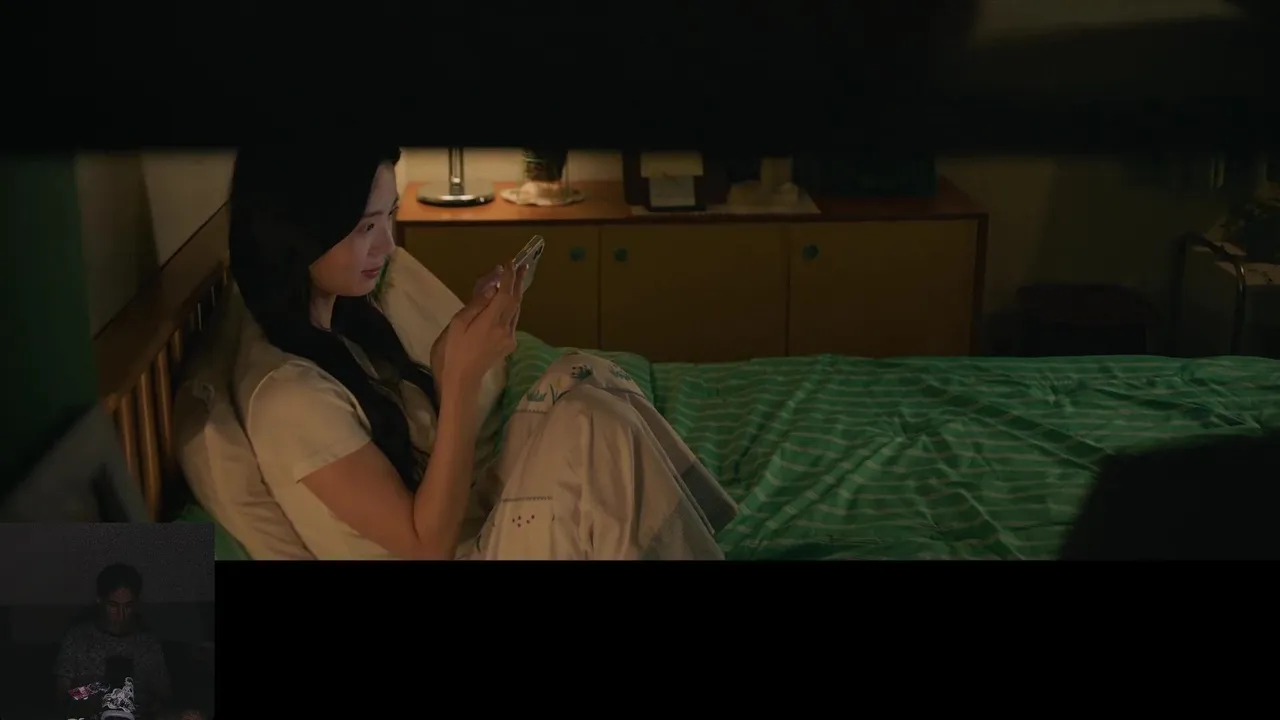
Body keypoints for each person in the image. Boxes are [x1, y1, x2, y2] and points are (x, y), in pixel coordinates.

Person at [229, 145, 737, 560]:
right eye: (366, 227)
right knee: (589, 427)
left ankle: (687, 538)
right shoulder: (288, 399)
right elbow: (426, 547)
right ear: (297, 231)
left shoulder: (341, 322)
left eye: (390, 217)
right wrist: (461, 381)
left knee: (580, 375)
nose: (387, 246)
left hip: (468, 529)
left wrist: (451, 356)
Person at [53, 563, 202, 720]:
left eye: (128, 606)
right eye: (113, 606)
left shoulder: (147, 644)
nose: (121, 614)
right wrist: (92, 691)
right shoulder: (79, 638)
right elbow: (62, 696)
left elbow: (164, 697)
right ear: (100, 600)